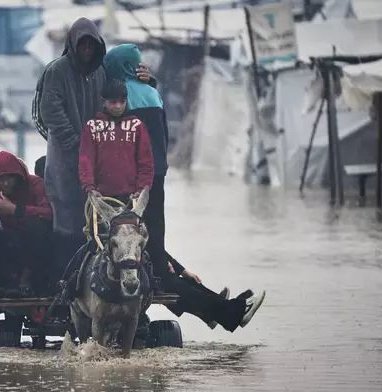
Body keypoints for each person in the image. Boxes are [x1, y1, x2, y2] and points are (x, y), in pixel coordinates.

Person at [103, 44, 265, 332]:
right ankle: (213, 308)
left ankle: (225, 312)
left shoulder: (116, 101)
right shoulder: (152, 93)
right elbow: (163, 139)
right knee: (154, 254)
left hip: (129, 190)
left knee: (152, 268)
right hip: (156, 183)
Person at [39, 17, 153, 278]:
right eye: (83, 46)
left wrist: (149, 80)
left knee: (98, 227)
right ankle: (65, 284)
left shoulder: (101, 72)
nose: (87, 51)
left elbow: (122, 93)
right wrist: (78, 143)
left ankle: (97, 280)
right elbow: (51, 112)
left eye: (92, 46)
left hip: (97, 163)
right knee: (66, 223)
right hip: (64, 162)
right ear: (73, 45)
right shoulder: (56, 71)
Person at [0, 151, 53, 304]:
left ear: (18, 177)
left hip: (37, 250)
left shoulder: (35, 184)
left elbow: (48, 214)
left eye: (9, 178)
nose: (5, 184)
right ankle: (7, 282)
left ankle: (25, 280)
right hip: (12, 247)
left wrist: (16, 210)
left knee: (36, 227)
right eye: (1, 180)